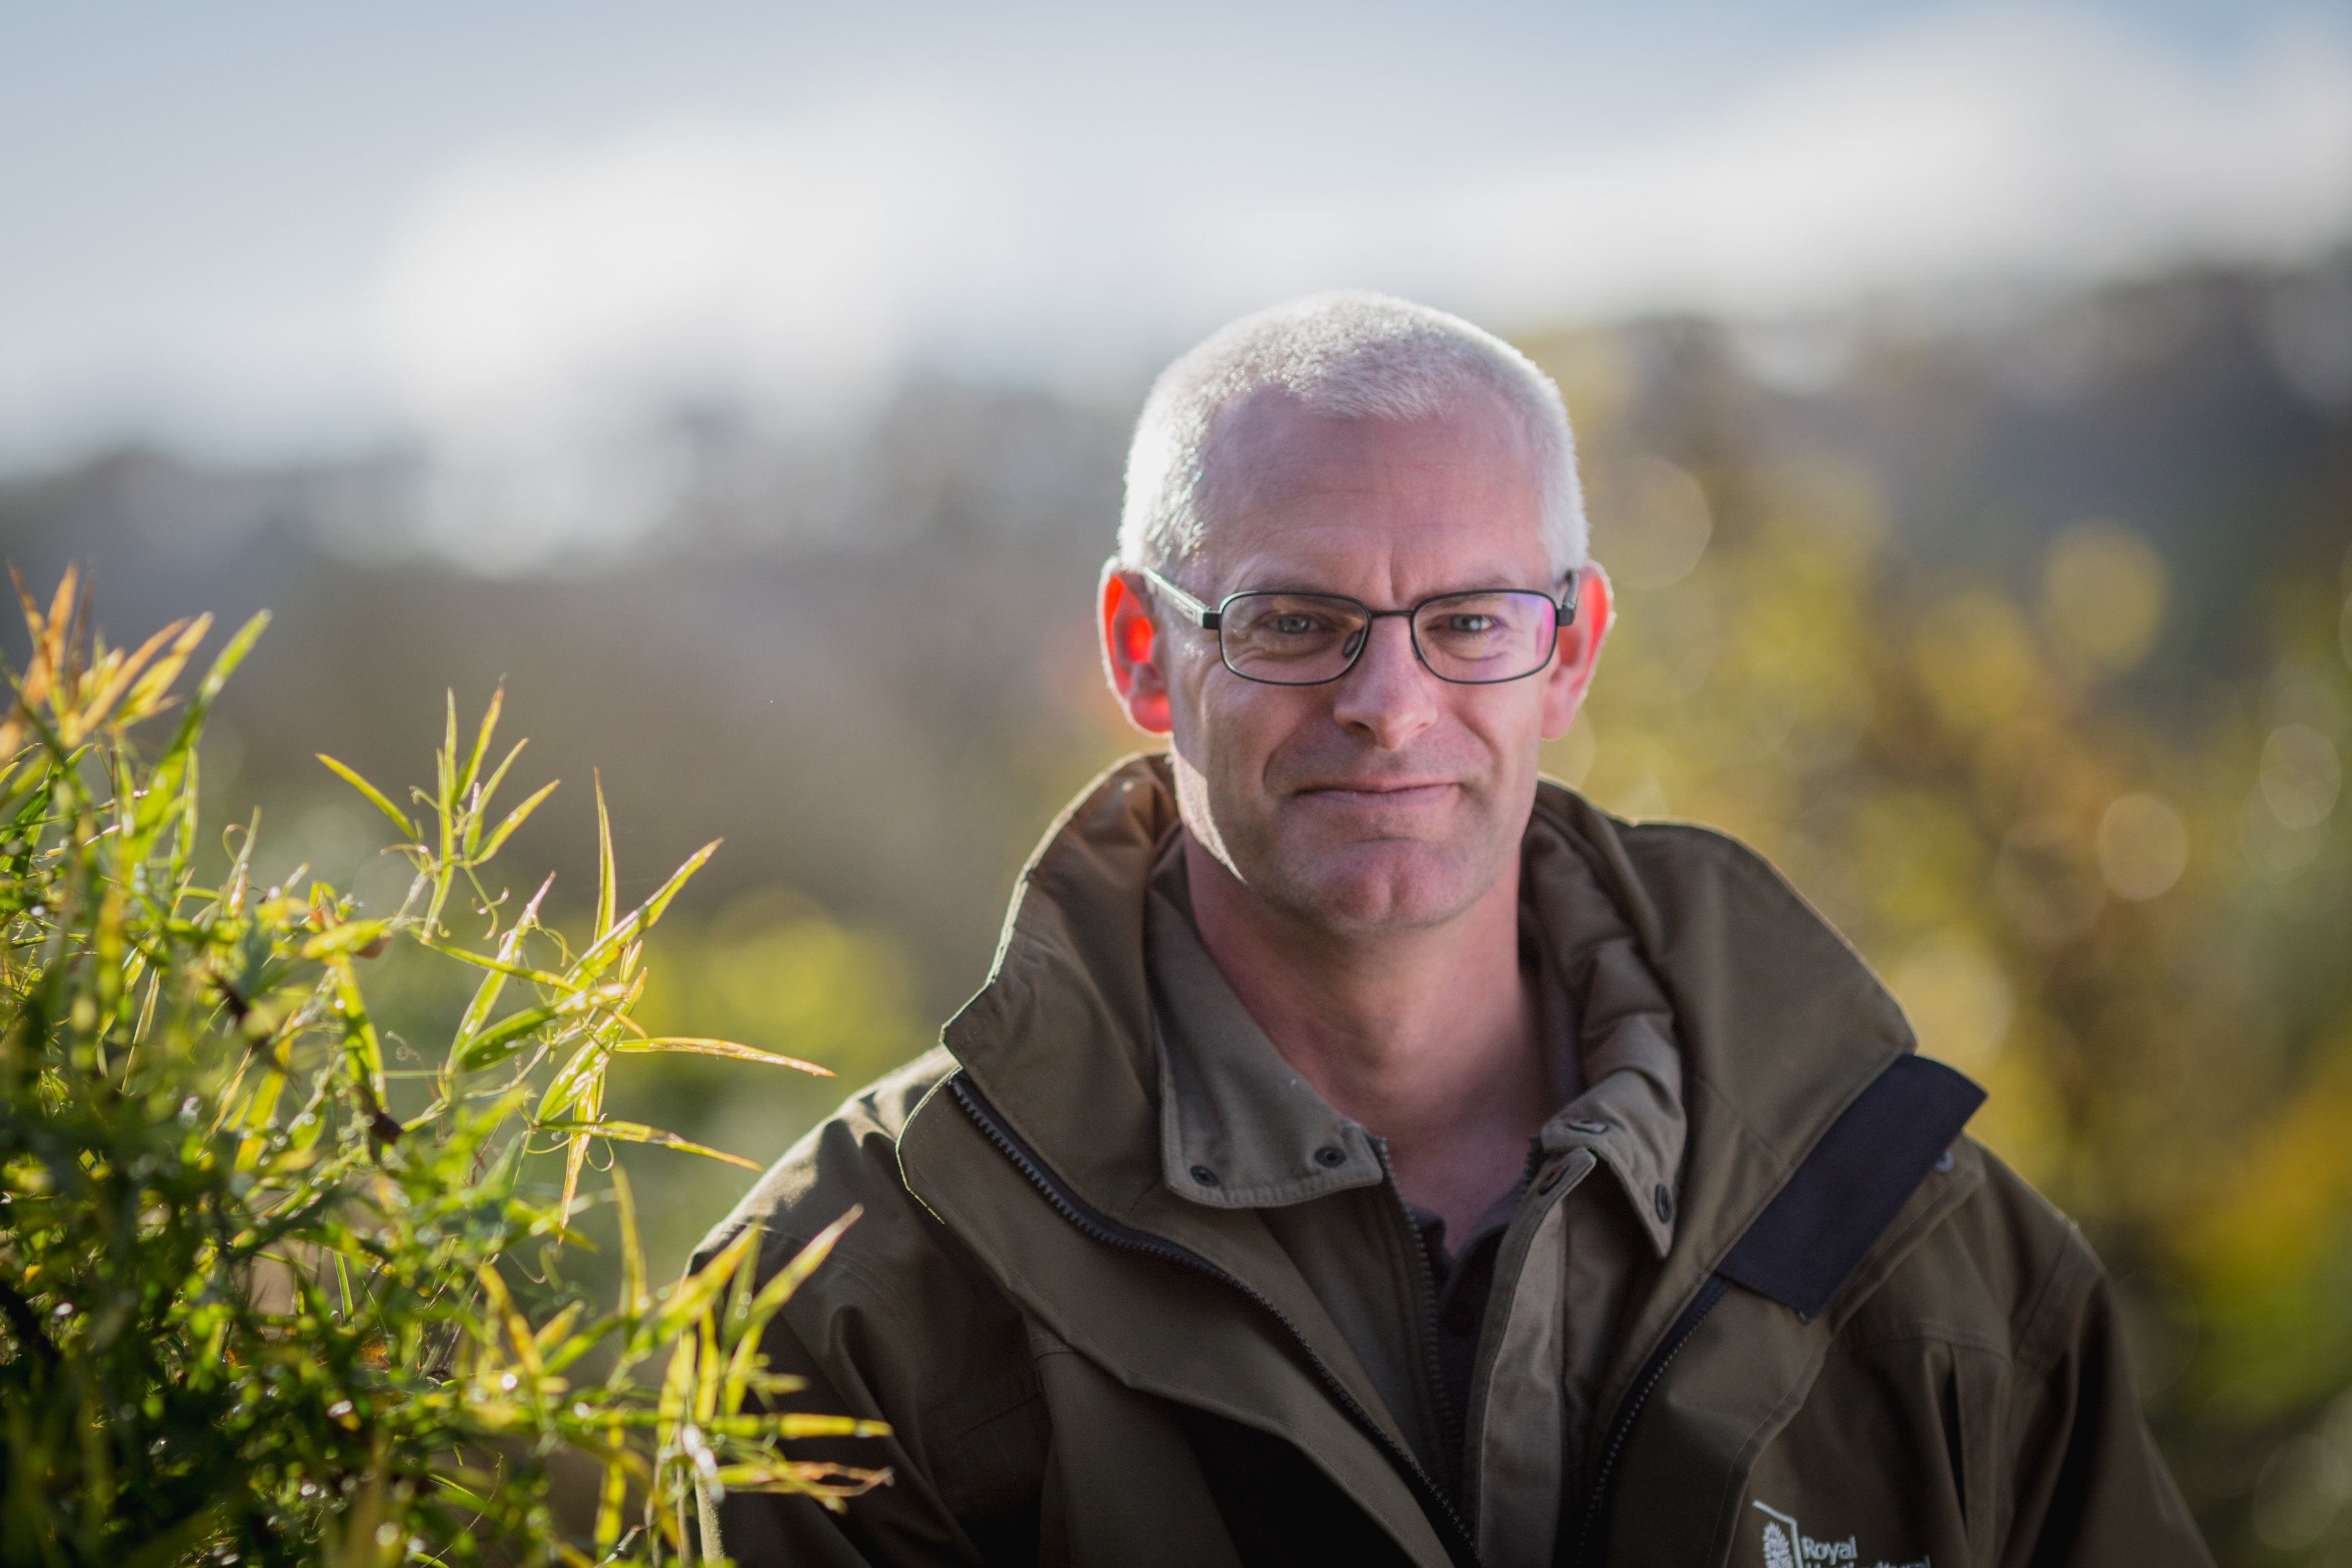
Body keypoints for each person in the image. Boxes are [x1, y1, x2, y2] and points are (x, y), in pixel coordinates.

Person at [699, 293, 2211, 1567]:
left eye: (1470, 621)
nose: (1387, 702)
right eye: (1292, 621)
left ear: (1568, 653)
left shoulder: (1929, 1254)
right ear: (1142, 653)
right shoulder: (850, 1298)